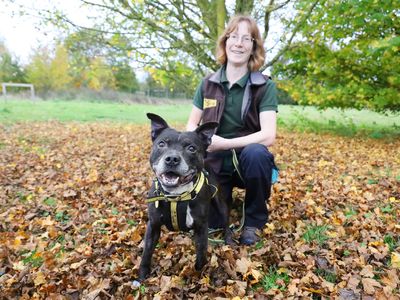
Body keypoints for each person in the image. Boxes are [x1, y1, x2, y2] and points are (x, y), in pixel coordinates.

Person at [186, 15, 278, 245]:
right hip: (214, 163)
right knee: (214, 223)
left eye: (246, 39)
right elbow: (191, 126)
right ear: (225, 42)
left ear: (253, 47)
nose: (239, 43)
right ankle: (220, 203)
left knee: (257, 153)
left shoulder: (265, 86)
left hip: (248, 161)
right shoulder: (207, 84)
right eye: (234, 36)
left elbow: (269, 135)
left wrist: (225, 144)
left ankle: (254, 223)